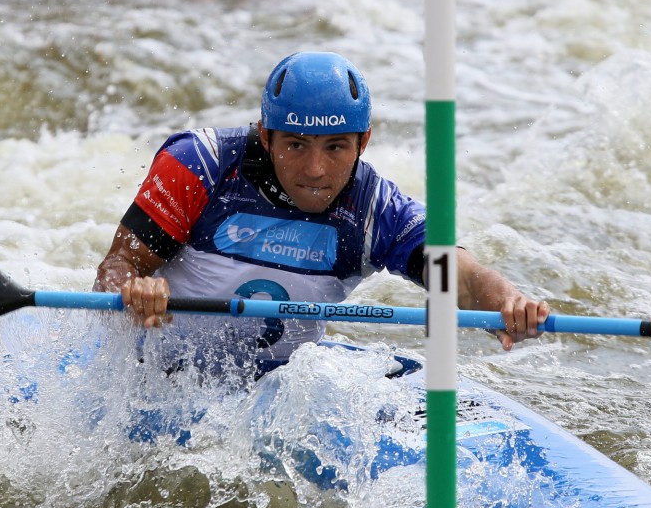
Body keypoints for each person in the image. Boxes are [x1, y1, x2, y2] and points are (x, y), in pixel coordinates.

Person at [94, 51, 548, 374]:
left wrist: (506, 304)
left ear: (363, 142)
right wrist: (134, 289)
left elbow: (458, 276)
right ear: (266, 136)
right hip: (161, 373)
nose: (315, 170)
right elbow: (117, 265)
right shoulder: (200, 165)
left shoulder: (375, 209)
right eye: (295, 145)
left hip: (287, 389)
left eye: (336, 147)